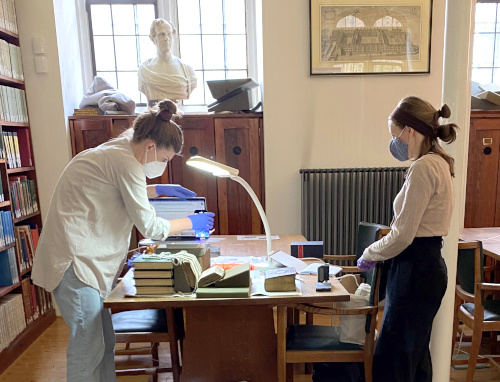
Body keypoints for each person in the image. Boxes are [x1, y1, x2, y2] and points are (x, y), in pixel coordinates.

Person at [31, 99, 215, 382]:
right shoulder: (126, 162)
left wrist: (158, 189)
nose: (163, 167)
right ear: (151, 146)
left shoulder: (123, 147)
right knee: (87, 350)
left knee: (102, 345)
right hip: (75, 264)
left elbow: (118, 189)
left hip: (81, 262)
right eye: (165, 160)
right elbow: (150, 226)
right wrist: (192, 221)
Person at [356, 96, 458, 382]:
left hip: (415, 270)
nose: (395, 142)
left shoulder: (424, 167)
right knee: (414, 356)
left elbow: (402, 235)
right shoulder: (439, 163)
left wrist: (370, 253)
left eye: (395, 135)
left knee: (393, 358)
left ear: (409, 131)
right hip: (425, 267)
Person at [138, 18, 197, 105]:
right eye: (161, 34)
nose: (166, 38)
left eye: (169, 34)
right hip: (154, 115)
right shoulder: (145, 70)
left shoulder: (188, 70)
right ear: (153, 39)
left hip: (180, 113)